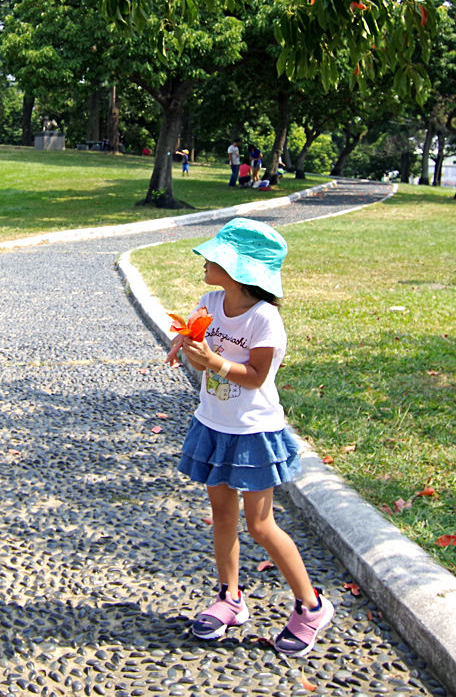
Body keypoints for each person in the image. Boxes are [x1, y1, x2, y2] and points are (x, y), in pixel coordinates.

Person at [166, 218, 332, 656]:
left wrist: (214, 362)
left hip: (253, 431)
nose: (204, 260)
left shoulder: (265, 320)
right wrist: (189, 348)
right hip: (214, 423)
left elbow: (257, 376)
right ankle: (230, 598)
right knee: (222, 515)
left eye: (215, 256)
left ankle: (311, 606)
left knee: (260, 525)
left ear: (240, 271)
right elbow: (203, 356)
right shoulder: (209, 302)